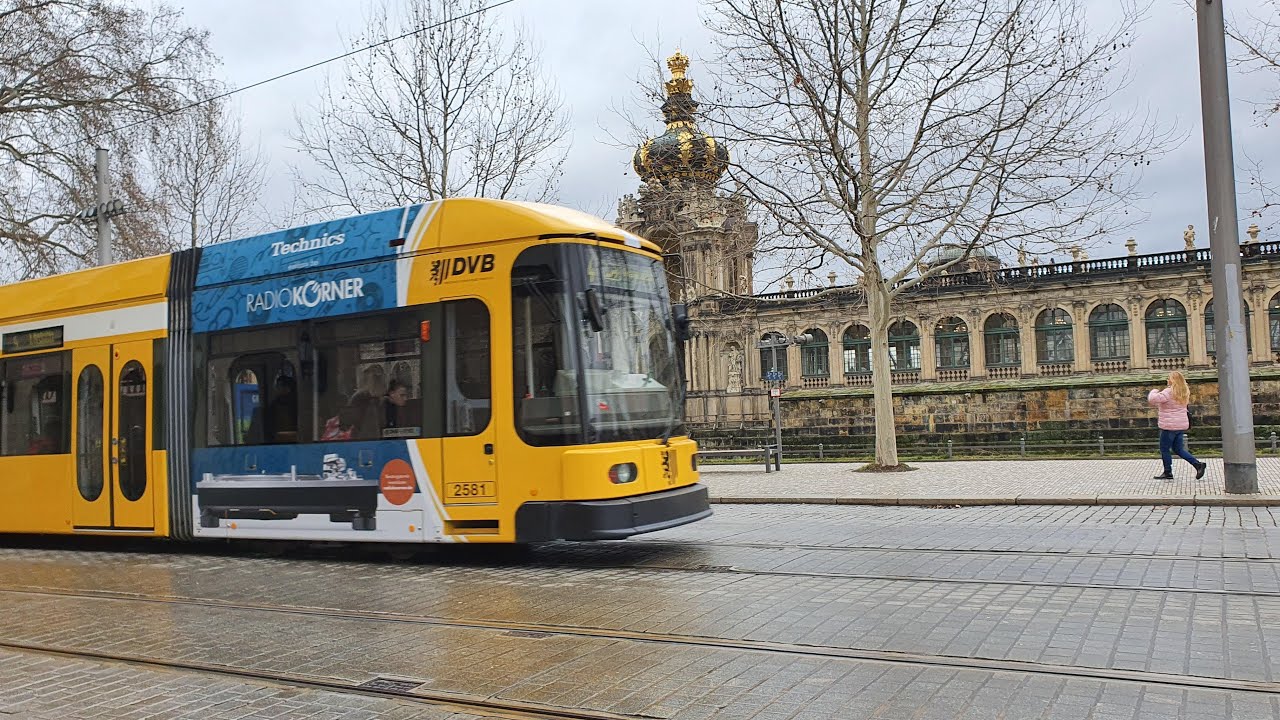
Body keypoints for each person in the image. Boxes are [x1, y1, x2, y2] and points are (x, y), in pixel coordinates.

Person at [1147, 370, 1206, 480]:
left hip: (1169, 426)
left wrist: (1154, 390)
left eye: (1169, 378)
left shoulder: (1169, 392)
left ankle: (1167, 472)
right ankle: (1197, 464)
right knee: (1178, 449)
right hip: (1180, 425)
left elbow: (1153, 399)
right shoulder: (1184, 392)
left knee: (1164, 449)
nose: (1167, 380)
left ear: (1173, 380)